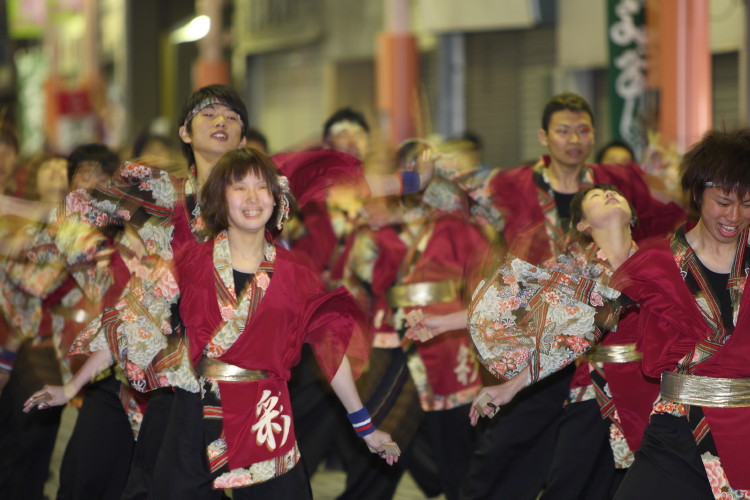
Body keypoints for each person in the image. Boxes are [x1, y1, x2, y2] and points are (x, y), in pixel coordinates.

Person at [457, 92, 685, 500]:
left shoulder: (657, 252)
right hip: (565, 357)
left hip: (643, 382)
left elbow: (682, 206)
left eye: (583, 130)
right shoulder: (516, 187)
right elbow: (531, 302)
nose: (574, 139)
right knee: (522, 462)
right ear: (544, 137)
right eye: (563, 130)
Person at [611, 129, 750, 498]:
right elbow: (585, 324)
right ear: (697, 192)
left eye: (747, 204)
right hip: (675, 429)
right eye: (723, 201)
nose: (734, 216)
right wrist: (512, 382)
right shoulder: (657, 262)